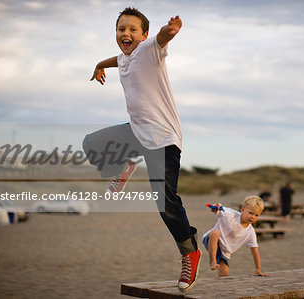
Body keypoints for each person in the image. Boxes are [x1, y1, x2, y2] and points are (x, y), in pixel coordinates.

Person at [83, 8, 200, 292]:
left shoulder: (150, 49)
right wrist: (100, 63)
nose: (126, 34)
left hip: (163, 140)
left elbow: (161, 39)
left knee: (166, 203)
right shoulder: (125, 57)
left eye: (133, 29)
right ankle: (124, 165)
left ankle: (190, 252)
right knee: (91, 143)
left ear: (144, 35)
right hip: (136, 132)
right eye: (121, 29)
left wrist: (168, 32)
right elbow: (119, 60)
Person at [202, 196, 268, 277]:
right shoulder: (230, 215)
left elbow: (254, 250)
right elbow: (219, 208)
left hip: (225, 251)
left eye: (256, 215)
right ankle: (212, 261)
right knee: (215, 233)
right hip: (211, 240)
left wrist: (258, 268)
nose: (252, 217)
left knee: (224, 275)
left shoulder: (250, 232)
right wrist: (214, 208)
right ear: (243, 209)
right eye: (250, 213)